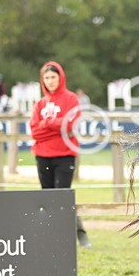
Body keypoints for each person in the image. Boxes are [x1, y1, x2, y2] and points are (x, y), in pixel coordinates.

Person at [29, 61, 90, 247]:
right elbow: (34, 132)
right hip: (43, 155)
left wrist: (47, 124)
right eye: (46, 78)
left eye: (53, 77)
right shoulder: (40, 104)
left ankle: (80, 234)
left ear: (60, 77)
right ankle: (51, 237)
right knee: (47, 198)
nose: (50, 81)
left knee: (62, 197)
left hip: (65, 155)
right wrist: (57, 125)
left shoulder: (71, 99)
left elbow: (72, 125)